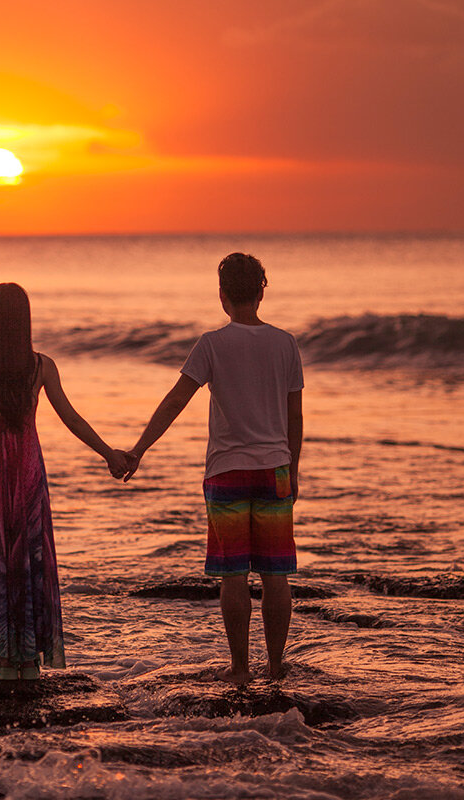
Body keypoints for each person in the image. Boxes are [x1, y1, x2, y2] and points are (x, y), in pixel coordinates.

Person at [121, 253, 303, 685]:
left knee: (233, 576)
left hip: (226, 473)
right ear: (261, 291)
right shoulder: (285, 343)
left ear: (222, 295)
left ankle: (240, 669)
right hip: (275, 468)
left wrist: (139, 449)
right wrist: (293, 469)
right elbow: (295, 416)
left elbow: (175, 400)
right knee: (276, 575)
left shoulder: (212, 343)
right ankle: (276, 668)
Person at [0, 283, 129, 681]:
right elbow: (71, 418)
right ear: (25, 322)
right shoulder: (41, 366)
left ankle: (2, 660)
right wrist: (109, 453)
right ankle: (29, 660)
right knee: (31, 558)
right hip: (29, 471)